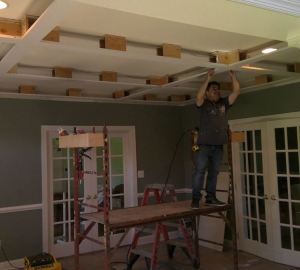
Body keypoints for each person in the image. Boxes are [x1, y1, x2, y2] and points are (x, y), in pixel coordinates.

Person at [191, 69, 240, 209]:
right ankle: (195, 199)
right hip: (204, 145)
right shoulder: (204, 104)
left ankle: (210, 198)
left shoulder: (224, 104)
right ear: (207, 92)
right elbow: (198, 97)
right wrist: (207, 78)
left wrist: (233, 76)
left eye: (217, 89)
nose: (216, 91)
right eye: (213, 89)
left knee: (214, 172)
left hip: (218, 146)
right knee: (200, 171)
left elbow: (236, 91)